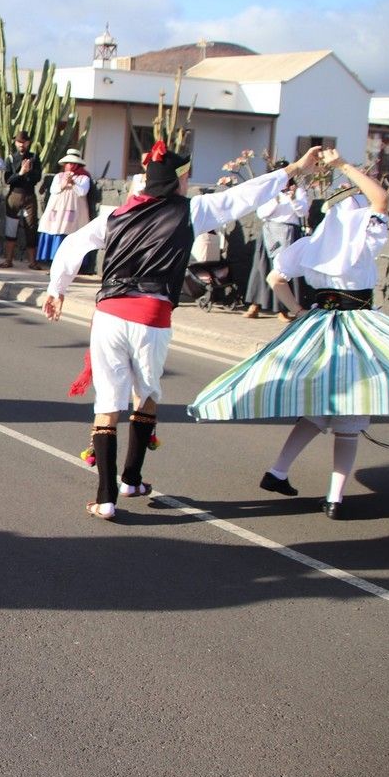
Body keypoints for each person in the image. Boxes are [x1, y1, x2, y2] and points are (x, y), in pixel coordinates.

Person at [191, 150, 389, 519]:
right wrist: (343, 165)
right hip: (358, 328)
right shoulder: (365, 239)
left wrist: (297, 311)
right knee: (349, 417)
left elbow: (274, 279)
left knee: (318, 407)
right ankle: (334, 497)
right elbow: (381, 198)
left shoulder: (311, 244)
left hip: (319, 326)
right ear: (358, 215)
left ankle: (278, 471)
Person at [42, 142, 323, 520]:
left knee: (108, 404)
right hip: (153, 315)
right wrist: (297, 168)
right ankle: (131, 478)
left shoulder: (115, 214)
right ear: (176, 181)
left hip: (109, 313)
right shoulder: (191, 210)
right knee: (147, 394)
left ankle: (107, 498)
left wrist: (56, 289)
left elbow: (73, 244)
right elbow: (242, 196)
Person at [242, 164, 309, 319]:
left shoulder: (298, 191)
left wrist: (293, 200)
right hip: (270, 231)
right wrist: (276, 200)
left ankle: (283, 310)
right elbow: (262, 213)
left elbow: (302, 212)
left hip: (289, 233)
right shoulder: (269, 193)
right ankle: (255, 305)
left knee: (283, 270)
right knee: (262, 268)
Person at [36, 149, 91, 265]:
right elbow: (53, 190)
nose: (70, 166)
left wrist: (73, 183)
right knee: (56, 229)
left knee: (71, 232)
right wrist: (63, 184)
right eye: (68, 163)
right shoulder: (59, 176)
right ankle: (53, 261)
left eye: (72, 163)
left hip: (74, 209)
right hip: (57, 209)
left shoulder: (83, 178)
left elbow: (82, 192)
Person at [2, 131, 42, 269]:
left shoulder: (34, 158)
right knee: (11, 227)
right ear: (15, 142)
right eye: (19, 142)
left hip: (29, 196)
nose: (21, 145)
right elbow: (7, 179)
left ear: (28, 143)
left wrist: (28, 172)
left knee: (31, 227)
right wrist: (20, 173)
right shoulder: (11, 159)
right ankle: (8, 259)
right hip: (14, 195)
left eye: (24, 142)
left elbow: (37, 178)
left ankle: (32, 261)